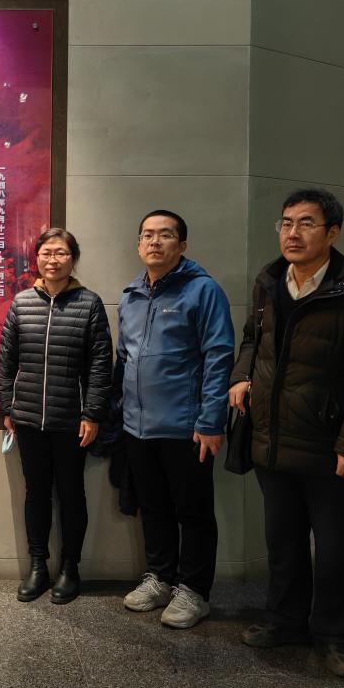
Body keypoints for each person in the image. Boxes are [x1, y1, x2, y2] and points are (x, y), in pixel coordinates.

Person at [229, 190, 344, 679]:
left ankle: (335, 633)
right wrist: (241, 376)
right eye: (285, 223)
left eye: (305, 223)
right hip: (273, 439)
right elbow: (252, 339)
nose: (292, 233)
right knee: (283, 542)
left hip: (330, 446)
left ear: (333, 233)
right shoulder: (268, 282)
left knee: (336, 548)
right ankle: (286, 620)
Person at [117, 210, 234, 628]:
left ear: (182, 246)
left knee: (194, 512)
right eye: (147, 234)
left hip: (188, 427)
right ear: (138, 244)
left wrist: (211, 420)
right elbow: (124, 358)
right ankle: (160, 578)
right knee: (153, 508)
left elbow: (219, 356)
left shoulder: (203, 291)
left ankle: (195, 590)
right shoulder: (130, 296)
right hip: (137, 427)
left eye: (165, 235)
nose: (155, 241)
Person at [0, 228, 112, 604]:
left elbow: (100, 365)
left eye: (61, 253)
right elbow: (6, 359)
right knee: (36, 493)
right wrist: (7, 406)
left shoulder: (89, 304)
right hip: (28, 418)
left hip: (72, 421)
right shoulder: (21, 303)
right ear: (37, 258)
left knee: (71, 493)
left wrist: (92, 413)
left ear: (72, 259)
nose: (53, 260)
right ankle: (38, 566)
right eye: (46, 253)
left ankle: (70, 568)